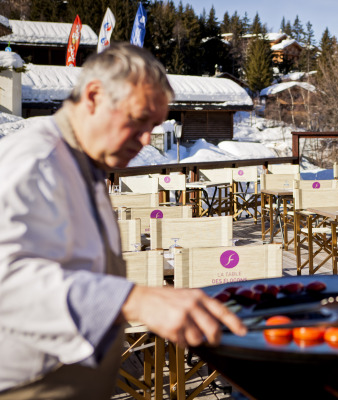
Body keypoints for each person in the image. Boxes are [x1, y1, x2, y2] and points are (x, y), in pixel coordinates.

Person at [0, 43, 246, 399]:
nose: (147, 139)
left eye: (155, 125)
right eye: (138, 119)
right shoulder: (36, 161)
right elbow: (7, 281)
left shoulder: (84, 162)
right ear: (94, 96)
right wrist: (134, 300)